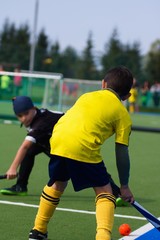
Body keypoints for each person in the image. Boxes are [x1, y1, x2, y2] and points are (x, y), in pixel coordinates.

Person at [29, 66, 135, 240]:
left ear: (103, 84)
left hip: (58, 140)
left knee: (57, 183)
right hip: (83, 146)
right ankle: (103, 237)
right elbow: (121, 153)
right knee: (105, 193)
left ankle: (38, 231)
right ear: (127, 96)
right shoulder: (123, 115)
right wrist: (124, 186)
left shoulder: (86, 96)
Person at [0, 96, 64, 196]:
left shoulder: (41, 123)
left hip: (68, 146)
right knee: (29, 152)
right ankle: (21, 186)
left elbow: (24, 146)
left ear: (34, 108)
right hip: (49, 142)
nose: (24, 118)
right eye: (20, 116)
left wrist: (13, 168)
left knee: (77, 171)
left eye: (26, 113)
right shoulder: (35, 117)